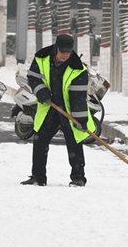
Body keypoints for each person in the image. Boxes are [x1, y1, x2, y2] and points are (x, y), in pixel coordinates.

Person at [21, 34, 96, 187]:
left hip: (69, 111)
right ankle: (38, 177)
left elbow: (78, 97)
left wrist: (80, 120)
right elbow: (33, 77)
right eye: (63, 52)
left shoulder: (78, 68)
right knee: (40, 141)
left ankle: (78, 178)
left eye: (68, 52)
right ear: (56, 48)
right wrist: (42, 93)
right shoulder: (41, 58)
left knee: (75, 143)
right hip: (49, 108)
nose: (65, 55)